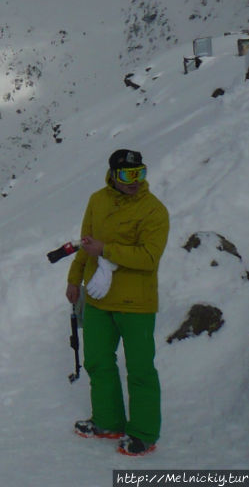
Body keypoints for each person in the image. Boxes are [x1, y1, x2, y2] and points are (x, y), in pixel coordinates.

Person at [66, 148, 170, 456]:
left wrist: (106, 250)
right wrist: (74, 279)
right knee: (97, 361)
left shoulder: (154, 211)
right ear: (113, 175)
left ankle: (143, 433)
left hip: (137, 303)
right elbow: (87, 244)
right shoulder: (98, 200)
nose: (134, 181)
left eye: (140, 174)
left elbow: (149, 257)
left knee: (140, 369)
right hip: (98, 298)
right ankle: (108, 422)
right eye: (127, 175)